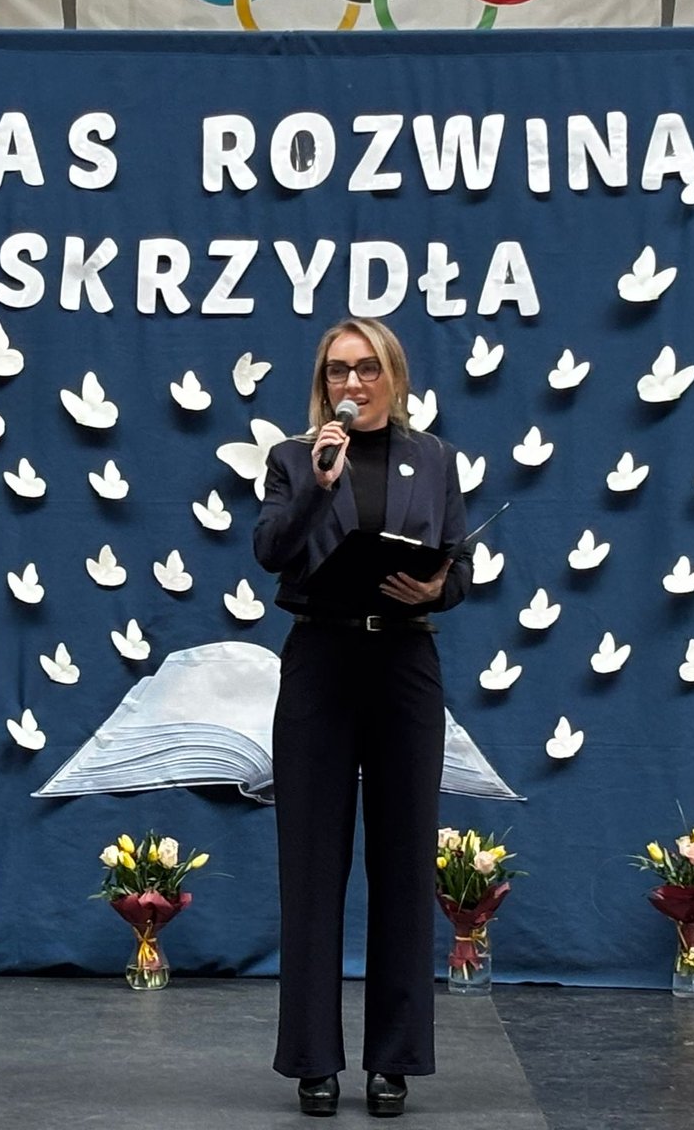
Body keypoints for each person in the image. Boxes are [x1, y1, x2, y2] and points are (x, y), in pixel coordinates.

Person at [254, 317, 469, 1119]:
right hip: (321, 660)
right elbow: (271, 550)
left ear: (394, 376)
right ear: (324, 383)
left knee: (404, 860)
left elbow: (458, 564)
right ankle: (313, 1059)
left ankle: (394, 1060)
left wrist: (439, 586)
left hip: (404, 663)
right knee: (311, 863)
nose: (353, 383)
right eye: (338, 370)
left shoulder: (435, 458)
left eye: (368, 368)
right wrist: (319, 482)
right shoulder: (294, 458)